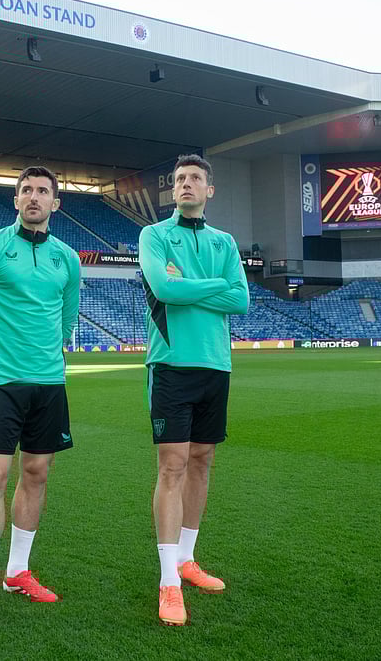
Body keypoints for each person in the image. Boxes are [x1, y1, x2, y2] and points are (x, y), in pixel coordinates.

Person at [0, 166, 81, 633]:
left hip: (49, 384)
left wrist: (48, 354)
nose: (34, 197)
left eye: (43, 191)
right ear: (15, 200)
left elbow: (68, 317)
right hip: (1, 383)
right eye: (26, 190)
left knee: (37, 472)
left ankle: (17, 572)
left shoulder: (67, 258)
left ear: (55, 203)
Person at [139, 154, 251, 626]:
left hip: (215, 366)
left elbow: (242, 298)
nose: (186, 184)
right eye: (180, 179)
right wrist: (212, 286)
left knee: (202, 461)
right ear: (173, 191)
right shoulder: (155, 235)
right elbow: (164, 289)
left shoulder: (224, 241)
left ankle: (187, 559)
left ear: (209, 190)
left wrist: (192, 284)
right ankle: (168, 580)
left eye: (195, 179)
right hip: (170, 364)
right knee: (173, 467)